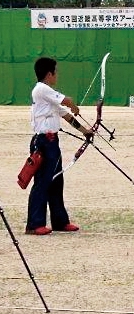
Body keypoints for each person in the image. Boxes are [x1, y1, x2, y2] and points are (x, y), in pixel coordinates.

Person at [26, 57, 92, 236]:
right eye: (56, 71)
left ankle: (60, 222)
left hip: (52, 142)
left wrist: (86, 131)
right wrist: (75, 106)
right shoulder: (42, 89)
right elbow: (67, 102)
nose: (57, 75)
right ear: (49, 74)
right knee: (42, 182)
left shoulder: (49, 96)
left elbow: (67, 116)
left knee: (56, 182)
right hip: (43, 142)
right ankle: (34, 224)